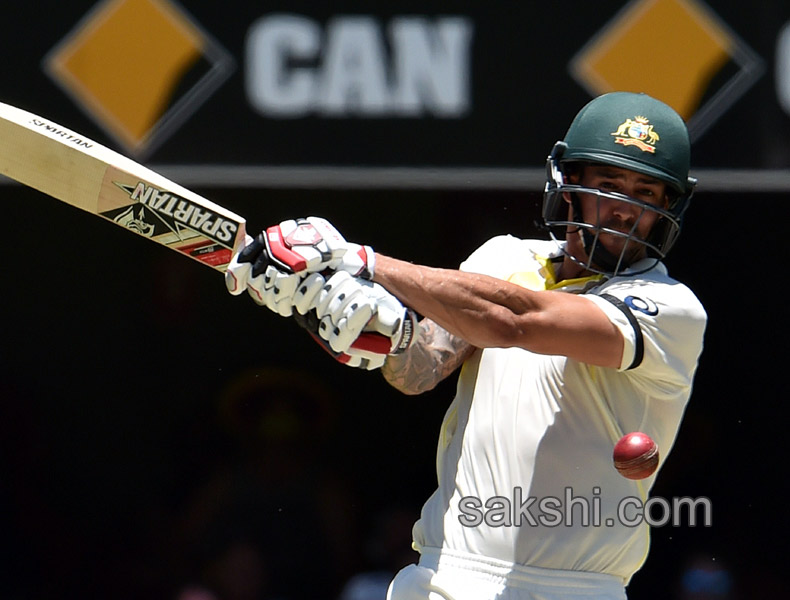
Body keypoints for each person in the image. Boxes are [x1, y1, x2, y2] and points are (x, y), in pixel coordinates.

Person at [225, 91, 707, 600]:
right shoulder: (502, 258)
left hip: (575, 588)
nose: (625, 210)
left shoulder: (670, 309)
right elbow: (417, 369)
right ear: (570, 184)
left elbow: (514, 320)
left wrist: (358, 261)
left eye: (646, 193)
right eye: (609, 185)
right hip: (444, 578)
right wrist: (318, 302)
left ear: (667, 207)